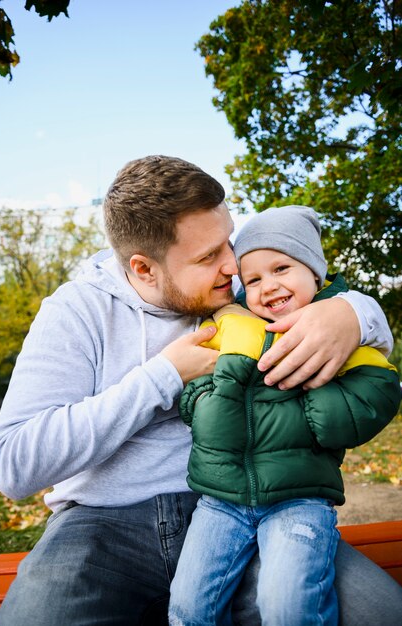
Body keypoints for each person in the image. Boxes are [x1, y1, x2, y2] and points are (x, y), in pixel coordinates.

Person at [0, 156, 401, 626]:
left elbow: (317, 286)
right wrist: (162, 377)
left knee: (381, 613)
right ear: (144, 269)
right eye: (208, 256)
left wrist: (355, 313)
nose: (232, 265)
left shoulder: (243, 289)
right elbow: (13, 465)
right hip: (100, 527)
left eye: (227, 240)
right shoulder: (77, 312)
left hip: (247, 503)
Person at [167, 206, 400, 626]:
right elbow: (194, 378)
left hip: (299, 498)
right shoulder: (232, 325)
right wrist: (203, 402)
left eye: (281, 268)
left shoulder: (337, 331)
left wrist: (314, 401)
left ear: (314, 272)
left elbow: (376, 394)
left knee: (289, 606)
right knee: (188, 608)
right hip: (220, 499)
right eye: (253, 279)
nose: (268, 286)